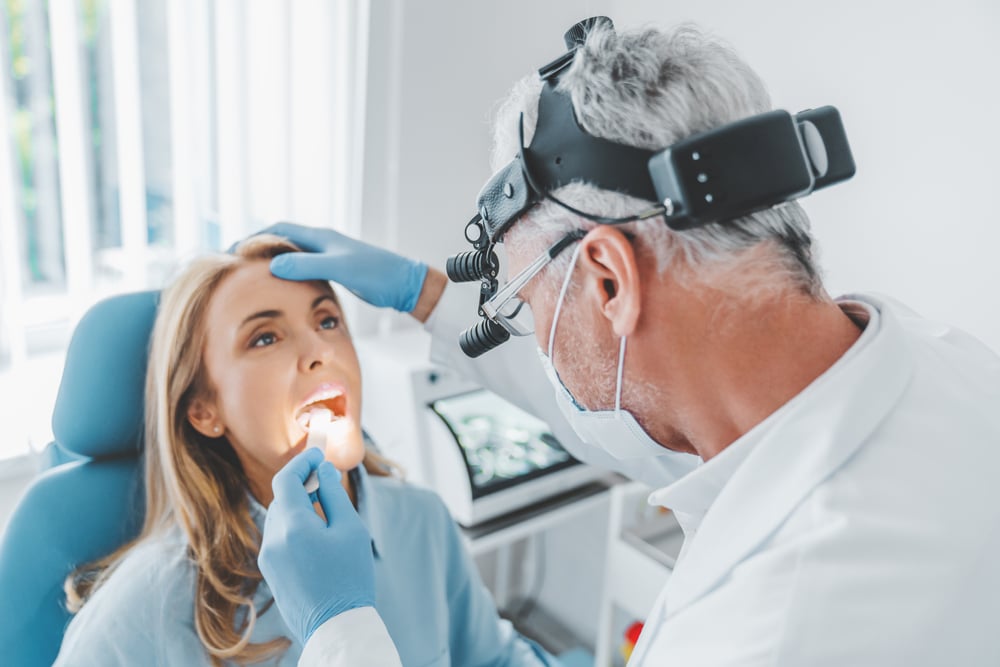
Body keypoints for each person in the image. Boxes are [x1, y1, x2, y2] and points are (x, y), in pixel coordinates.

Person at [254, 18, 1000, 667]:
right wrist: (425, 292)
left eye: (524, 303)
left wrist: (341, 632)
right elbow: (661, 412)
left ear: (609, 279)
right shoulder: (946, 364)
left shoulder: (769, 632)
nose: (536, 337)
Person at [54, 235, 557, 666]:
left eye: (327, 321)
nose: (321, 352)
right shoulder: (148, 603)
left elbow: (496, 659)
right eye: (265, 337)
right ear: (205, 410)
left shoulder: (422, 521)